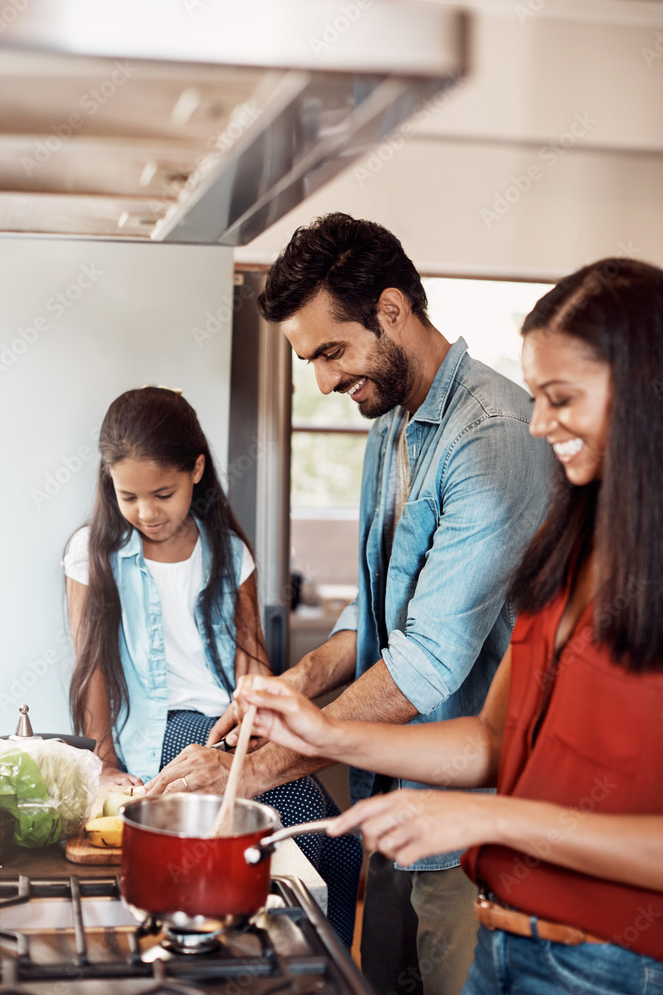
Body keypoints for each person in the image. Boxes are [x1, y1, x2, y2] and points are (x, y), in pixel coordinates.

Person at [232, 257, 663, 994]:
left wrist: (488, 822)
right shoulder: (569, 548)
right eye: (536, 396)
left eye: (560, 398)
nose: (537, 424)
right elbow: (496, 740)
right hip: (504, 929)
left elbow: (430, 659)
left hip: (607, 962)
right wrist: (325, 732)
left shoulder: (487, 439)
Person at [147, 214, 551, 995]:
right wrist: (298, 682)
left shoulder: (492, 438)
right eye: (311, 361)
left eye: (332, 352)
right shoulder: (392, 424)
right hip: (390, 807)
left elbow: (422, 667)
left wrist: (249, 768)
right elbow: (374, 611)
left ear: (392, 311)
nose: (325, 382)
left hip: (471, 826)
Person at [63, 386, 361, 947]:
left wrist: (266, 737)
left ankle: (321, 971)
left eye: (163, 493)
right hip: (164, 730)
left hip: (226, 726)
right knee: (293, 813)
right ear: (109, 481)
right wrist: (102, 762)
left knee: (342, 839)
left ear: (196, 469)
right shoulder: (92, 553)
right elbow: (91, 666)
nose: (147, 512)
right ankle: (263, 956)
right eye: (128, 496)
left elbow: (253, 665)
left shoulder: (228, 552)